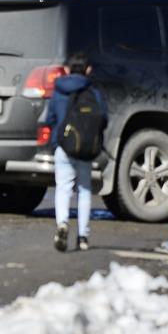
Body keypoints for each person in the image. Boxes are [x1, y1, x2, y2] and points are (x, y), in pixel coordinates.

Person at [38, 54, 107, 252]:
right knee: (84, 190)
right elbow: (104, 118)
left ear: (67, 70)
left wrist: (54, 141)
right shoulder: (93, 91)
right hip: (86, 148)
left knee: (63, 188)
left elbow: (50, 118)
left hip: (64, 146)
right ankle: (83, 237)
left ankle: (62, 224)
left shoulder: (59, 91)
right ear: (88, 70)